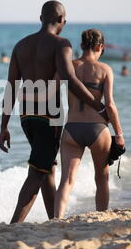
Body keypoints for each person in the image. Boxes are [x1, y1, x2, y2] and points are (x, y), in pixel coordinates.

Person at [0, 1, 107, 223]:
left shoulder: (20, 46)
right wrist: (99, 106)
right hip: (50, 116)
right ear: (62, 21)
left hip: (26, 116)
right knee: (38, 172)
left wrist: (4, 126)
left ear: (41, 18)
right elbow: (70, 79)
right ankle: (13, 226)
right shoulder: (61, 44)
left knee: (46, 166)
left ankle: (53, 221)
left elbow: (11, 86)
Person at [54, 29, 125, 218]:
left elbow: (51, 90)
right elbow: (109, 104)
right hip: (98, 129)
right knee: (102, 179)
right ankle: (101, 217)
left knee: (66, 181)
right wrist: (119, 134)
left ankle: (57, 219)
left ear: (82, 45)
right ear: (100, 46)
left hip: (72, 129)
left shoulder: (69, 67)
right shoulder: (105, 70)